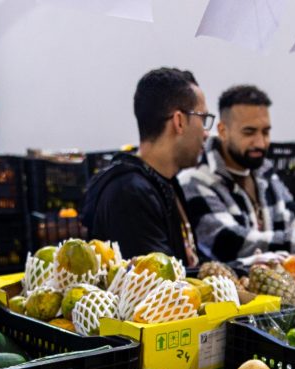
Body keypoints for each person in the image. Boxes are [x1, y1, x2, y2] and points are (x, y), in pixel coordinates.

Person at [180, 85, 295, 263]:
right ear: (223, 131)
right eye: (249, 132)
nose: (260, 142)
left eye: (266, 132)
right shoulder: (196, 180)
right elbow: (232, 243)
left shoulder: (265, 174)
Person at [81, 68, 207, 264]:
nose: (206, 133)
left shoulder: (164, 183)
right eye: (203, 119)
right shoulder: (129, 193)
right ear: (179, 121)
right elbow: (157, 277)